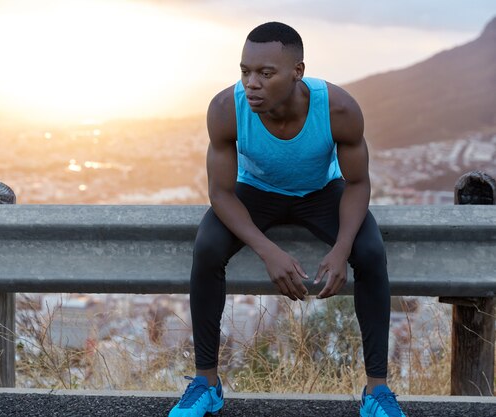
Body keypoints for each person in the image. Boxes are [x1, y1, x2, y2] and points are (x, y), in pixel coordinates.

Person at [168, 22, 407, 417]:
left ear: (298, 72)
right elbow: (221, 193)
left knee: (369, 251)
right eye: (245, 71)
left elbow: (358, 183)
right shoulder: (226, 110)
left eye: (266, 73)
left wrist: (340, 248)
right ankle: (206, 384)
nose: (252, 83)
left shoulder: (339, 109)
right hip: (255, 194)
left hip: (320, 194)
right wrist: (268, 251)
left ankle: (376, 391)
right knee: (207, 246)